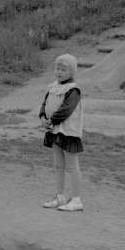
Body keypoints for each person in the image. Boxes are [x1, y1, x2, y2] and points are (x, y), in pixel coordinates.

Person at [40, 54, 84, 212]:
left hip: (67, 132)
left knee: (72, 166)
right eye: (57, 68)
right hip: (54, 130)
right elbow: (45, 103)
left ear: (71, 72)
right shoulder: (53, 87)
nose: (59, 71)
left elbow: (66, 109)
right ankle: (60, 197)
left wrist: (51, 120)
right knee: (58, 165)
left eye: (63, 69)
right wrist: (43, 117)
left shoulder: (73, 90)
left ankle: (77, 200)